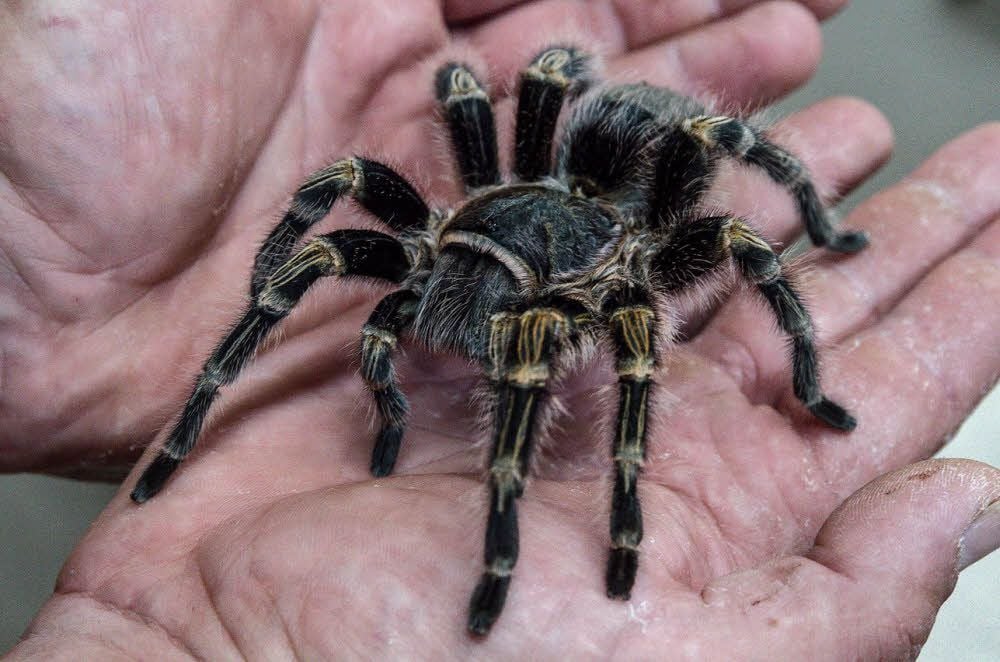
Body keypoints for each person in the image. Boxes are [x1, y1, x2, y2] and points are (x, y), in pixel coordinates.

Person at [2, 0, 998, 657]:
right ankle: (188, 423)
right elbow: (438, 102)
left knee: (735, 218)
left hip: (614, 230)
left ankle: (514, 545)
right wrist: (266, 283)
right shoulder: (438, 229)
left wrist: (624, 496)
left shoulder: (634, 262)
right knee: (342, 196)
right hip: (499, 214)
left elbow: (644, 333)